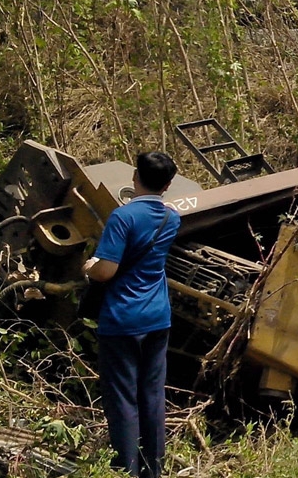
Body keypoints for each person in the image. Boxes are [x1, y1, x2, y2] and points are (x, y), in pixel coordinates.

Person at [84, 152, 180, 478]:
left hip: (122, 319)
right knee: (152, 396)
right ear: (168, 185)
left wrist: (89, 266)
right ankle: (153, 471)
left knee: (123, 400)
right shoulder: (172, 218)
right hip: (157, 317)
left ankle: (125, 470)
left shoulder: (122, 217)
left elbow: (106, 270)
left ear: (134, 178)